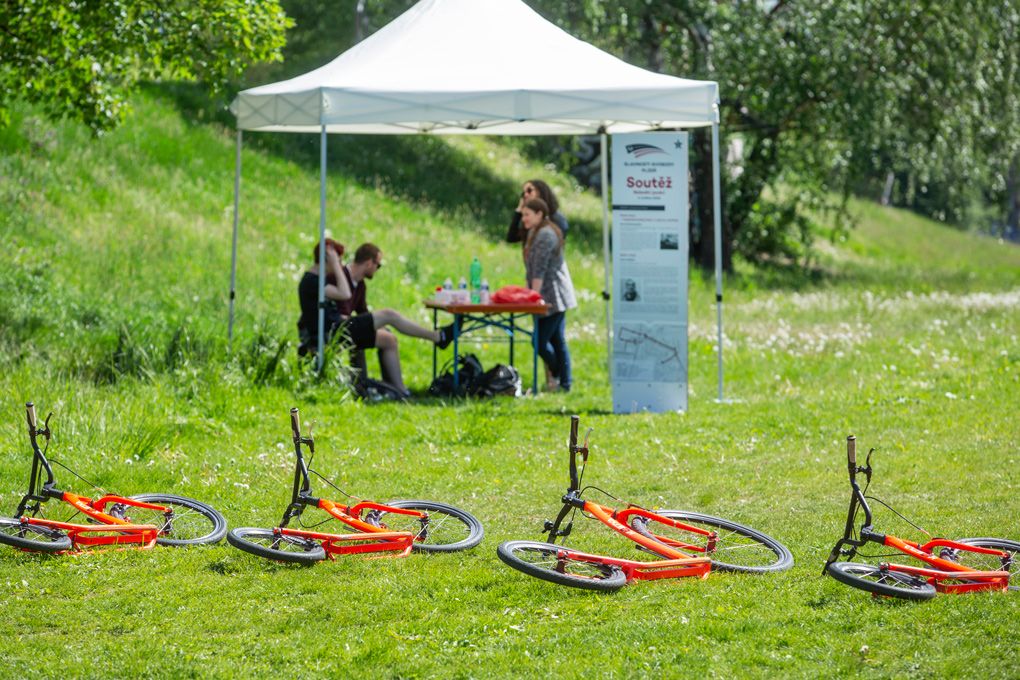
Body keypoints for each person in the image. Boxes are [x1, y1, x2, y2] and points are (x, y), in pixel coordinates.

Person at [297, 240, 454, 397]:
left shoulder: (319, 281)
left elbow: (362, 314)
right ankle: (437, 337)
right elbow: (345, 294)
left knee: (389, 338)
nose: (340, 264)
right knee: (389, 314)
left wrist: (376, 325)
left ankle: (399, 390)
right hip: (333, 332)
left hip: (339, 328)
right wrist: (337, 266)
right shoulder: (313, 281)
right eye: (337, 260)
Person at [520, 198, 577, 392]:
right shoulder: (534, 232)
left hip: (553, 296)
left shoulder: (545, 234)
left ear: (539, 214)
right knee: (556, 340)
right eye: (522, 214)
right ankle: (565, 382)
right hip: (548, 294)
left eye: (527, 214)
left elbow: (539, 268)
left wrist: (533, 297)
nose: (523, 218)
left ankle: (560, 375)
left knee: (540, 341)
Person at [506, 179, 568, 246]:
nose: (525, 195)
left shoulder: (557, 218)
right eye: (523, 193)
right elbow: (511, 238)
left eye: (529, 191)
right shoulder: (531, 218)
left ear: (541, 191)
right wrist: (519, 209)